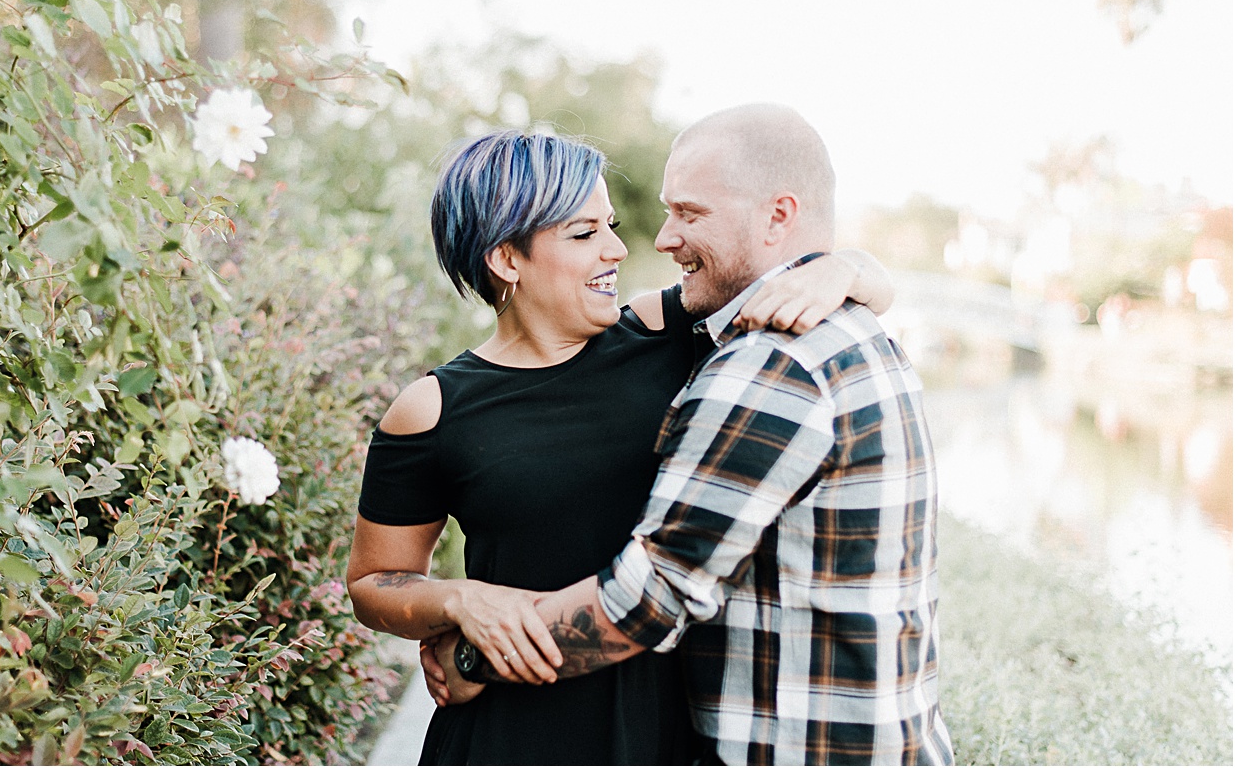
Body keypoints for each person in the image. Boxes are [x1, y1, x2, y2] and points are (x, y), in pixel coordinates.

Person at [347, 128, 895, 764]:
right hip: (516, 733)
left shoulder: (665, 332)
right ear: (506, 259)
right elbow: (372, 582)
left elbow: (843, 286)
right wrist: (457, 600)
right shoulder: (434, 407)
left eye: (609, 225)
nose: (616, 248)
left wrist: (846, 268)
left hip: (670, 729)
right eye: (584, 234)